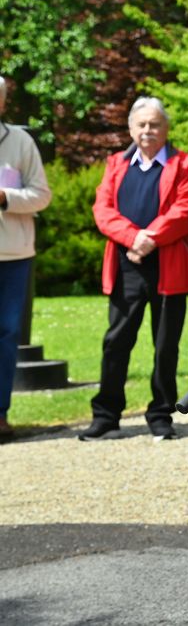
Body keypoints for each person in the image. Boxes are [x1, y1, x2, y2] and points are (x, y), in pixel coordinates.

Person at [82, 96, 188, 441]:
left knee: (165, 345)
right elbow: (103, 210)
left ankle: (161, 414)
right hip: (126, 267)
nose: (148, 130)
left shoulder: (185, 164)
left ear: (166, 128)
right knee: (116, 341)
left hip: (169, 268)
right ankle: (106, 415)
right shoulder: (116, 164)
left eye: (155, 124)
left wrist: (149, 238)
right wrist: (133, 238)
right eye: (141, 124)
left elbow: (186, 208)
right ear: (130, 128)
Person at [0, 76, 52, 438]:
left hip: (13, 256)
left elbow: (41, 195)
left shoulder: (20, 141)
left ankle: (0, 412)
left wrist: (6, 198)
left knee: (6, 335)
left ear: (4, 103)